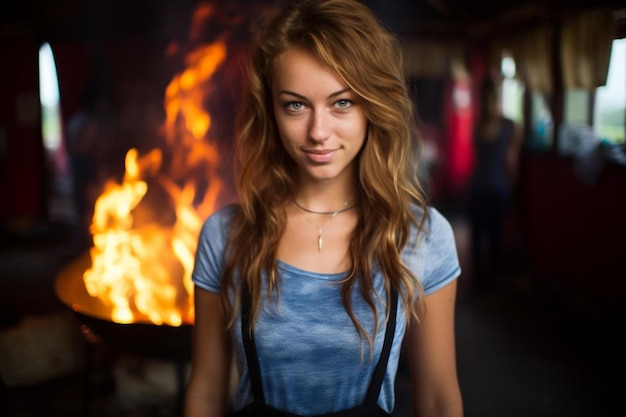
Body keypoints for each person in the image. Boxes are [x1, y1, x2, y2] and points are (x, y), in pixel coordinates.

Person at [185, 1, 463, 416]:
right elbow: (206, 392)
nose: (318, 132)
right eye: (295, 105)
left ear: (372, 105)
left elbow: (439, 400)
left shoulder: (421, 235)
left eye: (342, 103)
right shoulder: (225, 235)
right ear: (272, 111)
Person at [468, 76, 522, 294]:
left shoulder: (480, 124)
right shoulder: (509, 125)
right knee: (494, 237)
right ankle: (490, 282)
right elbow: (511, 162)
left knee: (480, 238)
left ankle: (482, 283)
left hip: (481, 187)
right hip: (497, 188)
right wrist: (513, 189)